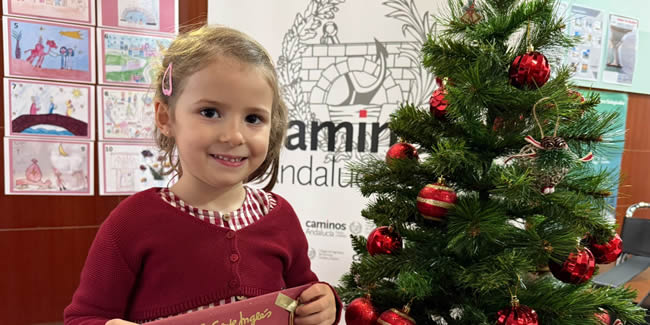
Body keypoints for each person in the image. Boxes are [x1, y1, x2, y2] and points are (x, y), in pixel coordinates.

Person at [64, 25, 341, 325]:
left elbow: (306, 293)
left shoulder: (281, 217)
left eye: (253, 118)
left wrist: (326, 303)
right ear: (165, 117)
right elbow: (84, 317)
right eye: (210, 112)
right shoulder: (130, 223)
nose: (234, 136)